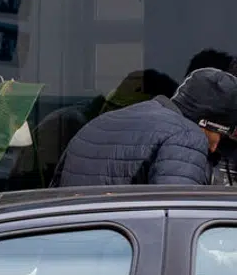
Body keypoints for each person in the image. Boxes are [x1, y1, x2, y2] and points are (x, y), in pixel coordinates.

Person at [55, 67, 237, 187]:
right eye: (221, 135)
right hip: (121, 235)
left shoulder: (103, 121)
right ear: (204, 121)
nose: (214, 147)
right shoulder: (187, 137)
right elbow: (176, 215)